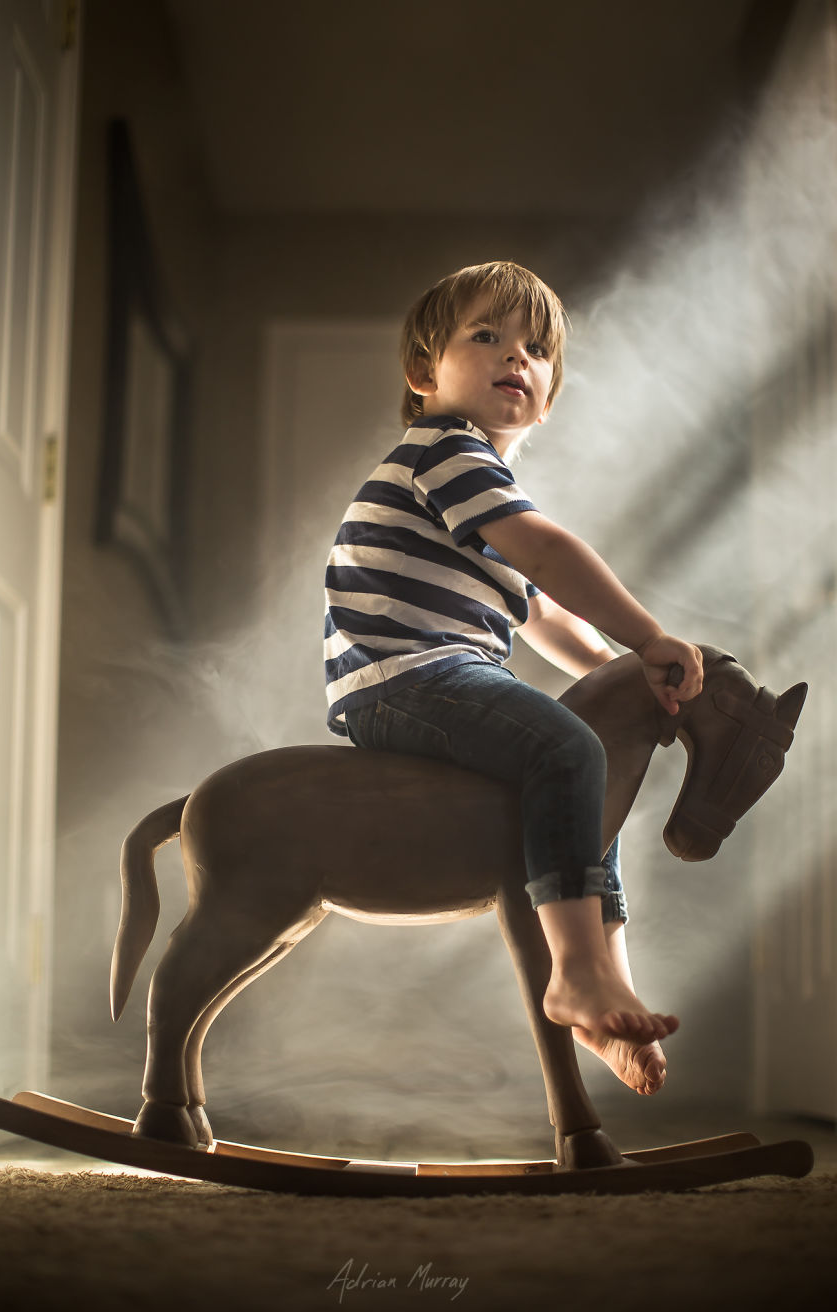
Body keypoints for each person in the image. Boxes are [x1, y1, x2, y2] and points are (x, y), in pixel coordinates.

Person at [324, 260, 703, 1096]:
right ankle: (577, 975)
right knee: (566, 750)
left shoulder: (476, 493)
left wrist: (624, 680)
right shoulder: (446, 453)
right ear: (425, 374)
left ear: (550, 394)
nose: (515, 358)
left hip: (436, 673)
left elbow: (540, 613)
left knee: (585, 779)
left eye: (536, 351)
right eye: (487, 337)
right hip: (403, 676)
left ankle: (612, 994)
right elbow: (549, 554)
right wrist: (647, 636)